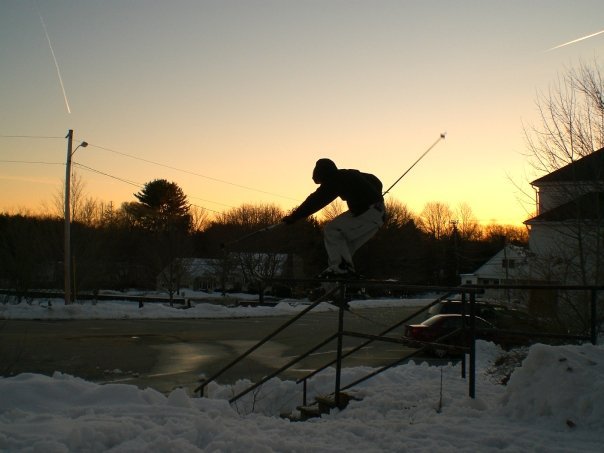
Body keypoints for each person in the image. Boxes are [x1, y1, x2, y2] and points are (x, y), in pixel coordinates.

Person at [282, 158, 385, 278]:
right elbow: (375, 180)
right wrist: (374, 193)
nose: (323, 186)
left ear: (323, 174)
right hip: (378, 215)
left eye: (322, 182)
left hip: (367, 212)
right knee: (342, 251)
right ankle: (338, 284)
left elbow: (316, 200)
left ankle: (342, 270)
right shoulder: (349, 174)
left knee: (331, 230)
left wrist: (294, 217)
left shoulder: (334, 179)